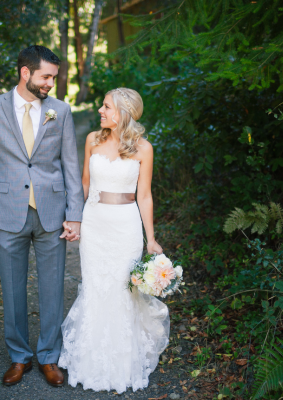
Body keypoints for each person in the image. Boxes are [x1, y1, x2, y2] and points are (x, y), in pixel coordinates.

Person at [0, 45, 84, 387]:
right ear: (26, 73)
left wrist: (75, 214)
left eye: (54, 77)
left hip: (52, 214)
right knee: (12, 289)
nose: (51, 83)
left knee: (52, 289)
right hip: (7, 214)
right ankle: (19, 356)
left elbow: (70, 165)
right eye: (46, 76)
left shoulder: (60, 112)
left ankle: (49, 356)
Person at [58, 88, 170, 393]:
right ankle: (89, 363)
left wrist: (151, 239)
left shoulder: (143, 148)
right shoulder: (93, 140)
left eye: (106, 107)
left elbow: (144, 196)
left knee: (123, 292)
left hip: (125, 227)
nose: (100, 111)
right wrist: (75, 220)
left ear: (122, 112)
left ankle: (122, 365)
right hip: (95, 225)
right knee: (95, 288)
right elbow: (83, 183)